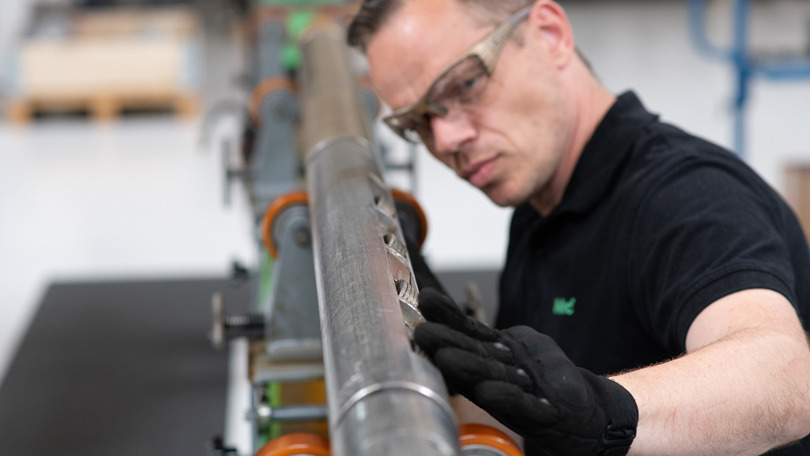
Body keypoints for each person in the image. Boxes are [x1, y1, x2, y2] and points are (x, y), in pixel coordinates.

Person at [348, 0, 810, 455]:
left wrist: (607, 411)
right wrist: (451, 357)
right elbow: (533, 425)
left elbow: (785, 380)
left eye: (464, 84)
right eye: (419, 123)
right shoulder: (539, 209)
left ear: (550, 35)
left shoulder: (685, 193)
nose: (446, 140)